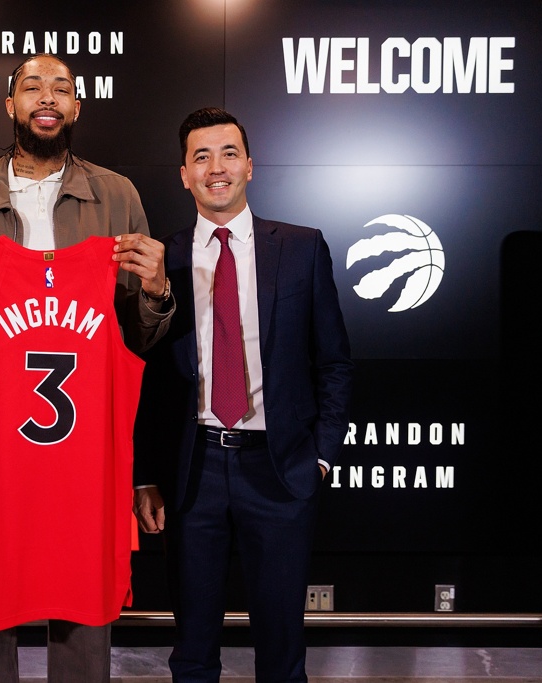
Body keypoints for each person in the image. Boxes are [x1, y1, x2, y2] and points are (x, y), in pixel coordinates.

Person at [0, 54, 174, 683]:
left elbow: (137, 339)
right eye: (32, 87)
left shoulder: (116, 196)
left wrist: (157, 291)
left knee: (83, 614)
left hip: (83, 446)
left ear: (77, 106)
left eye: (61, 88)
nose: (46, 98)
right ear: (11, 105)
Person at [133, 107, 354, 682]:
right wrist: (145, 475)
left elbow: (333, 362)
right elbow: (146, 378)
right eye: (201, 157)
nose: (217, 168)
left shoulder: (302, 248)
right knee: (193, 651)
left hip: (280, 469)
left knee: (282, 653)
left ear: (250, 166)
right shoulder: (162, 258)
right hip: (194, 473)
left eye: (228, 153)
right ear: (184, 174)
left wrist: (320, 457)